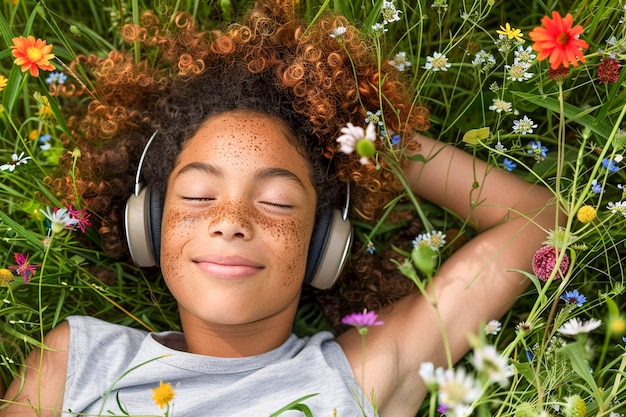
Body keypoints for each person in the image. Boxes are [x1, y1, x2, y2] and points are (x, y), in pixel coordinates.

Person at [0, 1, 558, 416]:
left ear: (324, 243)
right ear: (149, 222)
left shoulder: (364, 374)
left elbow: (541, 223)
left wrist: (370, 146)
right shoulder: (78, 358)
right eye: (196, 195)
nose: (231, 222)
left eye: (276, 202)